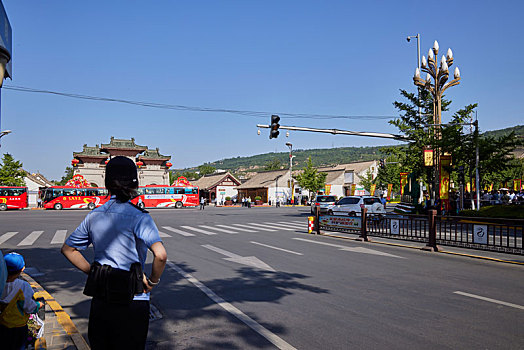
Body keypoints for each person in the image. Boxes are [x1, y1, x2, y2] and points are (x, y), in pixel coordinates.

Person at [61, 156, 167, 350]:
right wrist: (152, 282)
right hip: (133, 298)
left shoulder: (94, 215)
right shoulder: (139, 216)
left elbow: (68, 249)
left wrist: (93, 271)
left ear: (107, 182)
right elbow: (160, 255)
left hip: (102, 297)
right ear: (134, 183)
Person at [0, 252, 44, 350]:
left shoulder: (1, 285)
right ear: (22, 269)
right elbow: (28, 307)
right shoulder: (23, 286)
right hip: (18, 327)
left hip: (2, 325)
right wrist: (38, 305)